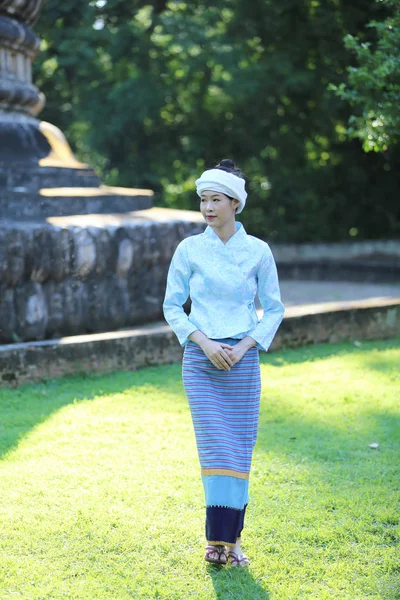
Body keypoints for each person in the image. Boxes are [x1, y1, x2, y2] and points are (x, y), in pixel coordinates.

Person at [163, 159, 284, 567]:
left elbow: (274, 309)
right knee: (215, 449)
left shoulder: (258, 251)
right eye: (203, 200)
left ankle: (230, 543)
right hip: (201, 361)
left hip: (242, 363)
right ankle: (215, 544)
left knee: (238, 451)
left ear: (235, 203)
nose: (208, 207)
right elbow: (172, 306)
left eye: (216, 199)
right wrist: (205, 342)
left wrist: (245, 345)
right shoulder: (190, 249)